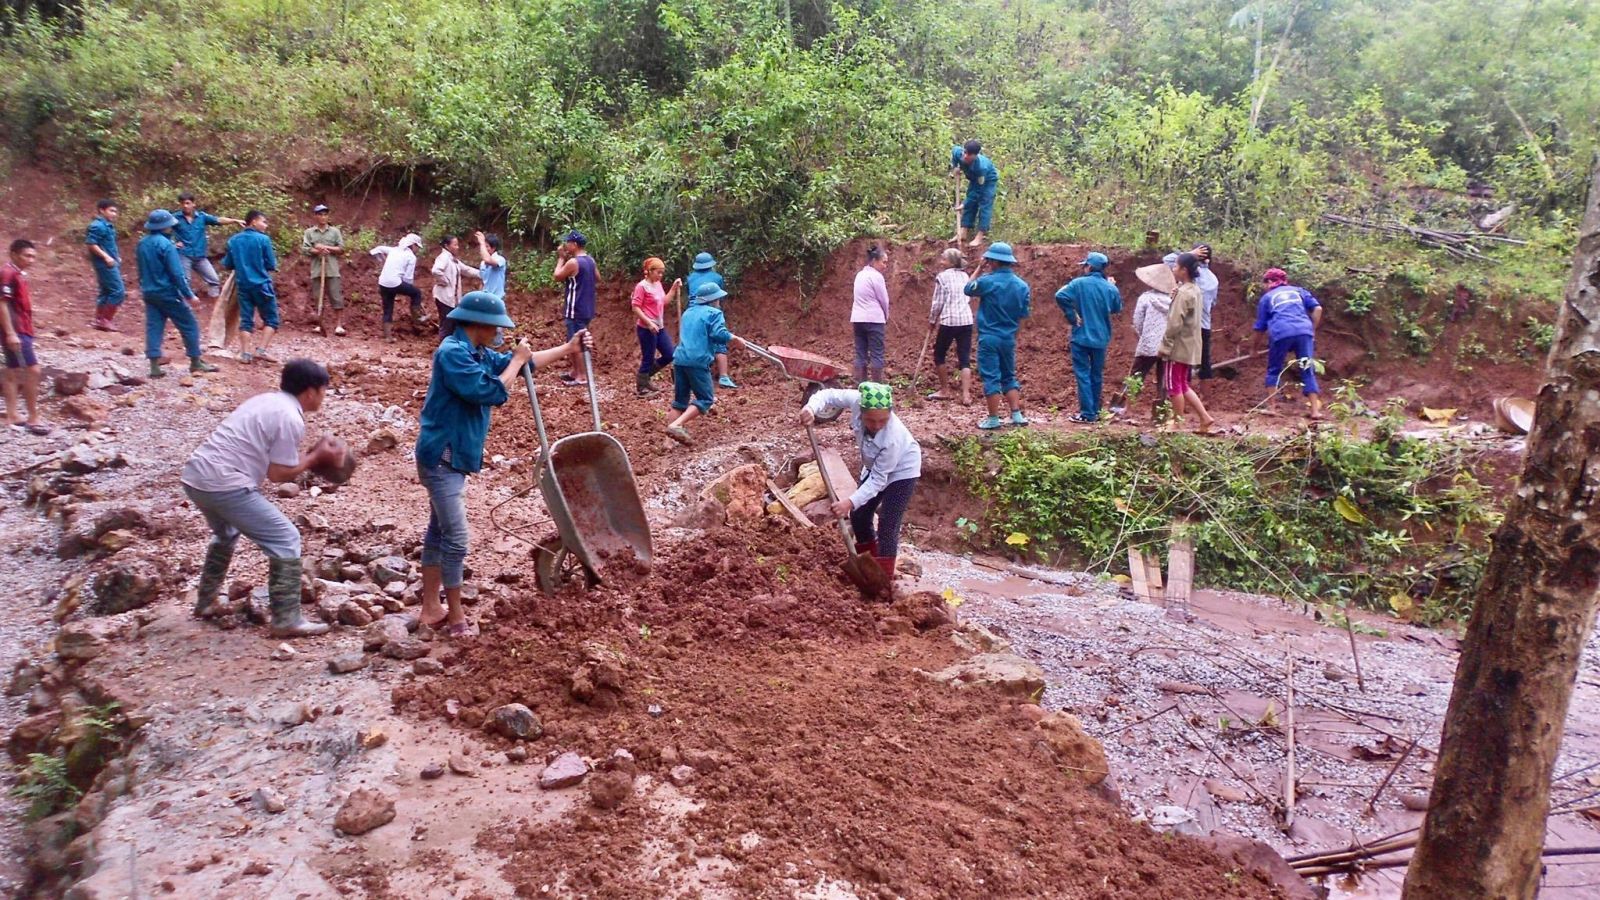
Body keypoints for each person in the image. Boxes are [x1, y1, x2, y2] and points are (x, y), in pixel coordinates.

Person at [414, 292, 592, 636]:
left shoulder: (476, 352)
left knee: (439, 532)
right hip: (441, 457)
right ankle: (454, 617)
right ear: (477, 324)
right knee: (457, 539)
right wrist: (516, 361)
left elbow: (523, 364)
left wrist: (568, 349)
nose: (500, 331)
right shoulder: (452, 354)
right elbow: (493, 392)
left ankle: (430, 609)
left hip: (452, 456)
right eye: (495, 325)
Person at [182, 359, 342, 638]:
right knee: (286, 538)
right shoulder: (290, 417)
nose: (324, 397)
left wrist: (310, 457)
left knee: (226, 532)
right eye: (323, 391)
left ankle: (206, 602)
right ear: (310, 392)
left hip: (196, 477)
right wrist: (316, 458)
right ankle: (287, 620)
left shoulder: (266, 401)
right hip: (225, 483)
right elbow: (278, 475)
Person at [800, 382, 922, 580]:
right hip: (875, 465)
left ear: (890, 412)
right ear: (861, 410)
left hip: (903, 471)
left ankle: (884, 580)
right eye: (870, 420)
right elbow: (828, 394)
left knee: (887, 524)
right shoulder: (857, 399)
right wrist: (810, 408)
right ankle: (869, 563)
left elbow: (878, 481)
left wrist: (848, 502)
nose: (876, 426)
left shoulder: (893, 438)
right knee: (859, 515)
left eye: (882, 420)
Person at [137, 209, 218, 378]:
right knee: (189, 324)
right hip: (167, 293)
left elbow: (141, 270)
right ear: (165, 226)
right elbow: (177, 273)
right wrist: (189, 295)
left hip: (149, 292)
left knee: (154, 326)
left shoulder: (142, 243)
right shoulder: (166, 245)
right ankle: (195, 362)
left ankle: (154, 366)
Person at [964, 242, 1031, 430]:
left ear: (992, 261)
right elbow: (1023, 315)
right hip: (1008, 337)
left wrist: (978, 267)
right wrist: (1015, 334)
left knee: (991, 376)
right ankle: (1016, 414)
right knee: (1009, 375)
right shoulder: (1022, 286)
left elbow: (968, 288)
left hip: (989, 337)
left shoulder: (987, 281)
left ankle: (993, 418)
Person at [1055, 251, 1122, 423]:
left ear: (1089, 266)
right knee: (1096, 374)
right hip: (1101, 338)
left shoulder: (1078, 283)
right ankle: (1096, 410)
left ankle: (1087, 413)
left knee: (1083, 374)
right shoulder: (1110, 287)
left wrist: (1071, 314)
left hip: (1081, 336)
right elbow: (1115, 308)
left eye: (1085, 265)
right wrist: (1112, 287)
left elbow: (1060, 295)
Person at [665, 281, 731, 446]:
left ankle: (668, 441)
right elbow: (719, 334)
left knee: (679, 402)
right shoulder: (714, 313)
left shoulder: (688, 312)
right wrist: (734, 339)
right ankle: (676, 424)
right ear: (713, 300)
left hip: (680, 359)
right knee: (705, 399)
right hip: (697, 361)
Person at [1254, 267, 1324, 419]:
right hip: (1304, 332)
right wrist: (1311, 330)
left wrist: (1254, 349)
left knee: (1274, 369)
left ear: (1270, 281)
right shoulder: (1299, 291)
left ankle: (1272, 408)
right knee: (1307, 369)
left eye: (1265, 282)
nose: (1265, 286)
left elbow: (1260, 327)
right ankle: (1315, 411)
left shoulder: (1267, 298)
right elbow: (1318, 309)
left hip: (1281, 333)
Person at [1159, 253, 1216, 433]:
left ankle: (1177, 422)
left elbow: (1175, 323)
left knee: (1172, 385)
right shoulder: (1194, 289)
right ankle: (1205, 418)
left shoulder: (1183, 293)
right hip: (1190, 345)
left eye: (1175, 267)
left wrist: (1165, 346)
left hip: (1177, 346)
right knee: (1183, 384)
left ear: (1184, 270)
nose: (1173, 270)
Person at [1111, 262, 1175, 419]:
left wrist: (1143, 334)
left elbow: (1137, 321)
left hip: (1148, 343)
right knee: (1164, 378)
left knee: (1136, 376)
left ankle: (1127, 408)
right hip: (1168, 345)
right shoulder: (1174, 302)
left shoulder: (1146, 298)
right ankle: (1161, 412)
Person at [2, 239, 49, 435]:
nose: (31, 260)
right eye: (27, 256)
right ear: (13, 254)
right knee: (33, 371)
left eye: (33, 257)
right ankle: (33, 416)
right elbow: (2, 303)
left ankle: (12, 414)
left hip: (21, 329)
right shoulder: (7, 273)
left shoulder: (17, 274)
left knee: (12, 371)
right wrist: (11, 333)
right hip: (16, 330)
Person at [220, 211, 280, 364]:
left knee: (246, 319)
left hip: (243, 285)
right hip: (262, 285)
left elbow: (227, 264)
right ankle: (261, 350)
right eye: (264, 222)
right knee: (271, 319)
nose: (266, 225)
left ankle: (245, 353)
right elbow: (271, 264)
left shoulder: (233, 240)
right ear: (253, 222)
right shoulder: (263, 239)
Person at [171, 192, 244, 300]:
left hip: (200, 256)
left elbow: (218, 220)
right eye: (182, 203)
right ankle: (181, 304)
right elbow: (162, 229)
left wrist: (234, 221)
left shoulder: (202, 217)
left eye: (187, 203)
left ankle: (212, 302)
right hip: (184, 254)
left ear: (193, 204)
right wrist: (172, 243)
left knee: (214, 280)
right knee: (184, 281)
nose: (185, 206)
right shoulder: (175, 218)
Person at [927, 247, 974, 405]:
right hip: (966, 319)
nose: (941, 261)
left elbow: (938, 302)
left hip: (949, 320)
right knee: (964, 358)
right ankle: (966, 395)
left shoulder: (942, 277)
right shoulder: (965, 275)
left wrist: (932, 320)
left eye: (944, 258)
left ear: (951, 261)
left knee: (939, 354)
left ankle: (944, 390)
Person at [1165, 245, 1219, 378]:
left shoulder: (1193, 277)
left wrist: (1189, 254)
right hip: (1205, 324)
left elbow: (1167, 260)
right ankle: (1205, 397)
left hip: (1188, 325)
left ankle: (1184, 393)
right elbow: (1213, 302)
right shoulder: (1213, 279)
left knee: (1183, 364)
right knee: (1205, 363)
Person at [685, 251, 737, 389]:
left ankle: (693, 376)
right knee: (720, 342)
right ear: (711, 265)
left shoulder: (690, 278)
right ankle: (724, 377)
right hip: (713, 311)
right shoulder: (717, 277)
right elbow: (718, 295)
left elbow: (689, 295)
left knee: (698, 342)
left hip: (693, 312)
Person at [631, 257, 680, 396]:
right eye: (658, 272)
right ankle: (641, 387)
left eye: (662, 272)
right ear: (649, 271)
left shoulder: (657, 285)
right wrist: (649, 322)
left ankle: (645, 376)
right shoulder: (641, 287)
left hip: (659, 326)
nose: (660, 275)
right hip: (646, 328)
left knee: (669, 354)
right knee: (648, 357)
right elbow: (635, 307)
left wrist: (674, 287)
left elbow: (664, 301)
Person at [553, 230, 597, 386]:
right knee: (576, 339)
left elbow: (557, 276)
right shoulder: (591, 261)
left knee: (576, 341)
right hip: (587, 307)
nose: (566, 245)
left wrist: (561, 258)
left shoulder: (573, 262)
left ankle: (581, 376)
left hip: (575, 307)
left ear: (575, 245)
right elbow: (597, 277)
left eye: (568, 243)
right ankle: (575, 371)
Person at [301, 204, 347, 336]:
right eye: (320, 214)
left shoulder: (335, 231)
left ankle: (338, 325)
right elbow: (305, 249)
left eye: (325, 214)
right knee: (318, 298)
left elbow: (341, 248)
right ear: (315, 216)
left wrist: (327, 248)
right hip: (317, 269)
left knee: (336, 296)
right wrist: (317, 250)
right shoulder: (309, 232)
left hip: (332, 269)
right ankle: (319, 323)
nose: (323, 217)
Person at [370, 233, 423, 342]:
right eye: (417, 246)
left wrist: (381, 259)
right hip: (395, 282)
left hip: (383, 282)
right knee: (416, 293)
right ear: (412, 245)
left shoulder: (393, 250)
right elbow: (408, 279)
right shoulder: (411, 257)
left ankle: (388, 337)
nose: (417, 249)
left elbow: (375, 250)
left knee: (388, 308)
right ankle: (417, 317)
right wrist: (409, 291)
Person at [851, 244, 891, 383]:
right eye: (884, 262)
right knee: (877, 355)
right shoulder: (876, 277)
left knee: (860, 354)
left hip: (858, 319)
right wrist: (886, 316)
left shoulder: (860, 275)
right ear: (874, 261)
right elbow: (884, 300)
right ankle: (876, 388)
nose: (885, 266)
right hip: (874, 319)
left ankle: (860, 387)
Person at [950, 139, 999, 248]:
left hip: (987, 182)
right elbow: (954, 151)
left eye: (969, 155)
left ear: (976, 155)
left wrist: (965, 203)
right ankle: (963, 232)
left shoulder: (981, 168)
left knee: (984, 206)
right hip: (974, 180)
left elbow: (978, 190)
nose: (966, 156)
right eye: (965, 152)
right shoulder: (960, 153)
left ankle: (979, 236)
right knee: (970, 205)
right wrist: (955, 167)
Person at [431, 234, 481, 338]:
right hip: (445, 298)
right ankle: (444, 350)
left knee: (452, 324)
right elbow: (436, 271)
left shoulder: (453, 260)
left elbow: (466, 270)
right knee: (447, 325)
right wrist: (444, 281)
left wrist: (483, 273)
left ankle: (449, 347)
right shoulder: (444, 257)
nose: (457, 247)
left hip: (451, 299)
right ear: (447, 246)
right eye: (455, 245)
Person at [86, 199, 125, 332]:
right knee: (118, 291)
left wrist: (115, 256)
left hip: (110, 261)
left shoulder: (107, 225)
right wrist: (106, 257)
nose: (114, 214)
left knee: (106, 291)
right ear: (102, 210)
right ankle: (105, 320)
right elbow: (91, 244)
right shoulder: (97, 226)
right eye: (111, 210)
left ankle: (99, 319)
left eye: (115, 211)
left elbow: (107, 244)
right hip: (104, 263)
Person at [475, 231, 508, 299]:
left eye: (486, 246)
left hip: (497, 298)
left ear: (493, 248)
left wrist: (482, 243)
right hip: (485, 297)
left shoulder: (500, 259)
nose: (483, 249)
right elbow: (483, 282)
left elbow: (488, 260)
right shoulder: (482, 263)